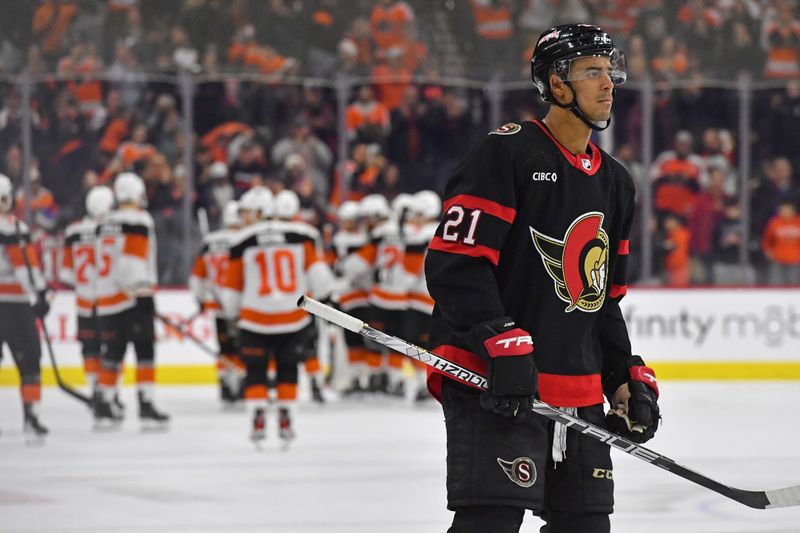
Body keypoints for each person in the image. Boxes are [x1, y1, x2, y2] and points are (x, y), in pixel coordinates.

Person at [424, 24, 661, 533]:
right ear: (557, 84)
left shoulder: (616, 182)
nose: (608, 84)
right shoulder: (509, 153)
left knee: (587, 527)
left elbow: (602, 299)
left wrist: (622, 373)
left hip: (576, 390)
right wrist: (497, 336)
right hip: (498, 384)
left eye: (610, 72)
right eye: (592, 72)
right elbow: (456, 264)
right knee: (490, 522)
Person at [221, 187, 335, 445]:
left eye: (248, 212)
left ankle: (258, 415)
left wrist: (231, 314)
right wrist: (327, 298)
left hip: (254, 317)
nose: (244, 217)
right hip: (292, 316)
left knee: (256, 372)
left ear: (261, 211)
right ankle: (286, 415)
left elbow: (231, 288)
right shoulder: (302, 234)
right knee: (288, 370)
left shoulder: (241, 240)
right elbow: (318, 273)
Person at [93, 172, 169, 430]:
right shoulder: (138, 219)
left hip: (105, 298)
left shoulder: (104, 222)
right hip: (131, 298)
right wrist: (141, 294)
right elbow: (131, 263)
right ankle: (146, 405)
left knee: (112, 353)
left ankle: (104, 404)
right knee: (145, 352)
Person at [0, 174, 50, 444]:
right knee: (30, 362)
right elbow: (24, 267)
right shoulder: (12, 226)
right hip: (14, 306)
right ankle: (31, 417)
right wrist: (39, 293)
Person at [60, 185, 115, 406]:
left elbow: (65, 273)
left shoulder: (73, 231)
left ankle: (95, 391)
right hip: (108, 300)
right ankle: (108, 394)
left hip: (84, 302)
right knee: (111, 350)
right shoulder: (112, 229)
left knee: (90, 348)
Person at [189, 200, 246, 405]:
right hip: (239, 304)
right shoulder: (244, 239)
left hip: (217, 304)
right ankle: (240, 385)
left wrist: (200, 298)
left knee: (224, 348)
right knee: (241, 347)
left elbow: (197, 276)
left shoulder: (210, 242)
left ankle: (224, 385)